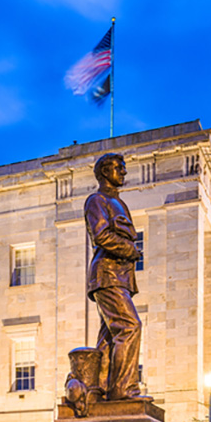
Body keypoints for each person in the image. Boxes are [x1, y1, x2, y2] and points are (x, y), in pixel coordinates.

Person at [84, 153, 147, 401]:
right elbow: (101, 236)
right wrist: (131, 250)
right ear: (103, 172)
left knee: (110, 336)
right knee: (130, 326)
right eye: (118, 168)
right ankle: (124, 390)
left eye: (123, 168)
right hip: (107, 274)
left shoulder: (119, 203)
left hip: (120, 277)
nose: (123, 172)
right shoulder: (97, 200)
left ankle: (97, 388)